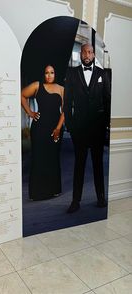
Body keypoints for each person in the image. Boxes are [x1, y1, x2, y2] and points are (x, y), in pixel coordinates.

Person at [64, 43, 111, 213]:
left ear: (93, 55)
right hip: (80, 129)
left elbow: (107, 100)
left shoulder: (102, 74)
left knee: (98, 164)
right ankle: (75, 201)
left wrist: (105, 123)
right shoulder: (72, 74)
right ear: (81, 53)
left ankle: (101, 198)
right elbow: (67, 102)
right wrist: (70, 126)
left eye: (90, 52)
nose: (87, 54)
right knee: (80, 166)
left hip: (98, 128)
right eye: (84, 51)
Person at [21, 65, 64, 200]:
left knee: (52, 158)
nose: (49, 75)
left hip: (55, 129)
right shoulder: (37, 85)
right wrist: (30, 113)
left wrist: (58, 128)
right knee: (39, 158)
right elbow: (21, 95)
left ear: (55, 74)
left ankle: (53, 189)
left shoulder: (62, 89)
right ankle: (37, 193)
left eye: (52, 72)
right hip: (39, 129)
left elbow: (65, 111)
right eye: (46, 73)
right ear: (43, 74)